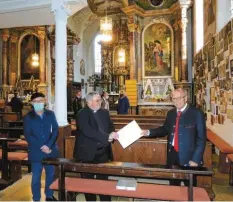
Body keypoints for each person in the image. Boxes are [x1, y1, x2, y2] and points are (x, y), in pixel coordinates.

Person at [141, 88, 206, 186]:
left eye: (179, 98)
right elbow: (164, 129)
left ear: (185, 98)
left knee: (190, 187)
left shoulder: (196, 113)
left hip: (189, 156)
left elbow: (201, 139)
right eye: (173, 99)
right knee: (173, 184)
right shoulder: (171, 113)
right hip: (172, 155)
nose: (176, 101)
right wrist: (148, 132)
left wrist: (196, 159)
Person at [73, 92, 118, 201]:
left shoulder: (104, 112)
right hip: (87, 153)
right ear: (89, 102)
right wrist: (107, 136)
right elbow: (88, 131)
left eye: (100, 100)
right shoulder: (82, 113)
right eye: (97, 100)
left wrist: (113, 134)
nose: (100, 102)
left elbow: (110, 126)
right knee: (88, 183)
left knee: (103, 181)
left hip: (103, 152)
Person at [24, 92, 59, 201]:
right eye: (36, 101)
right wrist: (42, 146)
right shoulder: (28, 117)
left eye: (41, 101)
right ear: (32, 103)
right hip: (36, 151)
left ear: (45, 102)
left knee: (50, 175)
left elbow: (55, 130)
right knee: (35, 178)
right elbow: (28, 135)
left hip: (50, 150)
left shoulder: (50, 114)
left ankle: (49, 196)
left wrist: (48, 146)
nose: (39, 103)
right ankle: (36, 198)